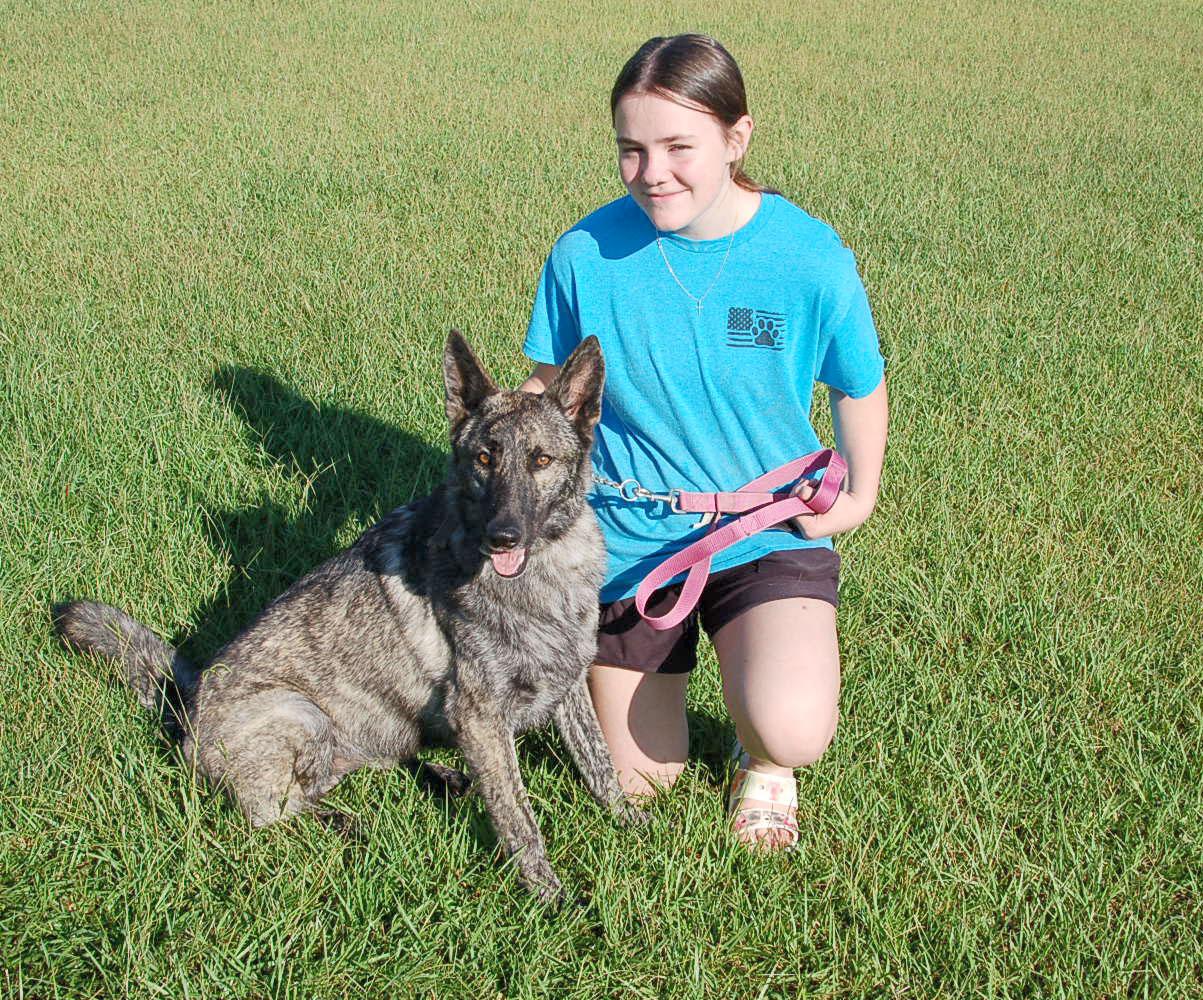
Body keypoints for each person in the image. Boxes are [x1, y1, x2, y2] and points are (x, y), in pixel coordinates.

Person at [520, 34, 887, 851]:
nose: (653, 172)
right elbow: (550, 393)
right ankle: (668, 692)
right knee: (638, 785)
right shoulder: (585, 254)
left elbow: (857, 381)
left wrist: (858, 494)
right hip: (627, 537)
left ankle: (766, 761)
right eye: (631, 149)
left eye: (678, 147)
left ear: (737, 137)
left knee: (792, 727)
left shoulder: (807, 257)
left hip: (767, 530)